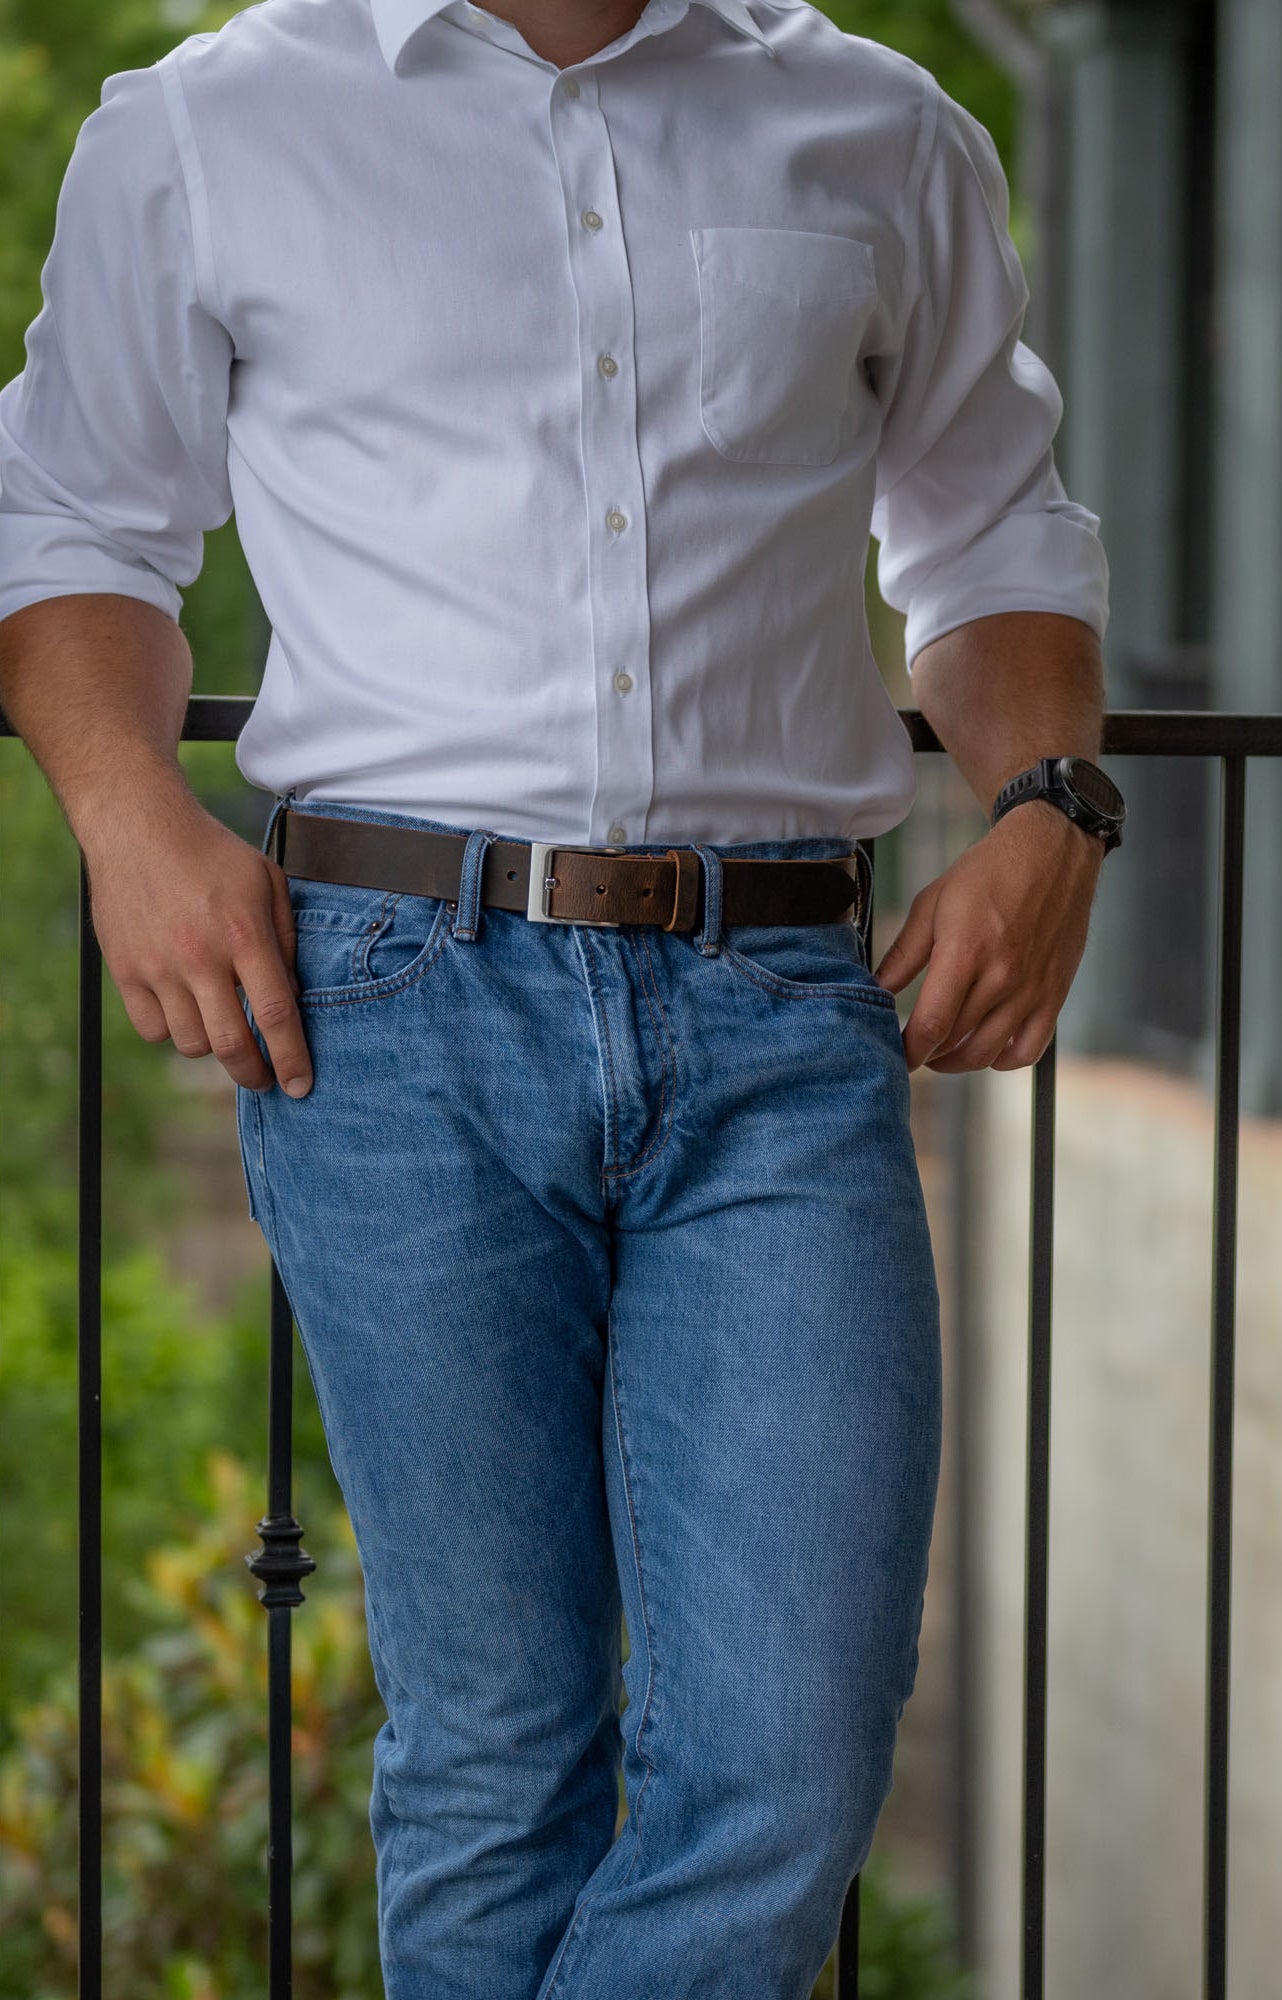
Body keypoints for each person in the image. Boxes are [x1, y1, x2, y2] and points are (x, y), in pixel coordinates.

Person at [0, 0, 1125, 1992]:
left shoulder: (876, 123)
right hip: (395, 1004)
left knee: (785, 1758)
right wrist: (127, 816)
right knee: (500, 1752)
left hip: (783, 1006)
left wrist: (1048, 803)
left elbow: (988, 529)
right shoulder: (205, 126)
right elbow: (75, 522)